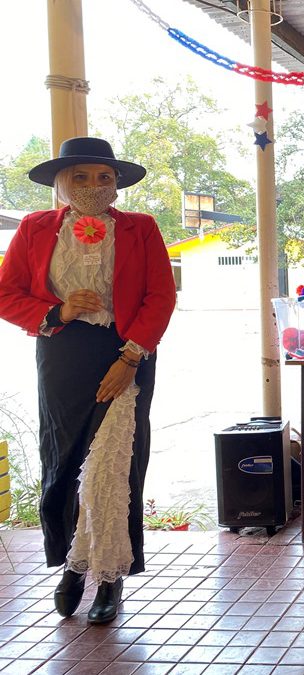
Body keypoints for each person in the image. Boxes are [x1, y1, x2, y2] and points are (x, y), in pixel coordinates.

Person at [0, 137, 176, 623]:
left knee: (114, 468)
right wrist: (57, 310)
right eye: (81, 176)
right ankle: (73, 565)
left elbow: (160, 296)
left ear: (117, 183)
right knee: (64, 462)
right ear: (62, 181)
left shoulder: (141, 228)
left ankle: (111, 574)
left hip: (126, 351)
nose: (93, 185)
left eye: (104, 177)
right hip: (61, 352)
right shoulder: (35, 228)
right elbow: (7, 293)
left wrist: (131, 357)